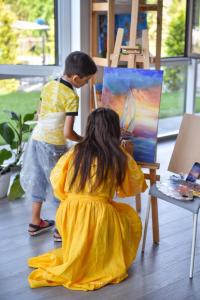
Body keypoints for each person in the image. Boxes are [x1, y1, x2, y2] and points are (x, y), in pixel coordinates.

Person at [27, 107, 147, 291]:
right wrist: (127, 154)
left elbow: (56, 180)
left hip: (67, 213)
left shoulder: (76, 151)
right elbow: (134, 186)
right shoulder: (118, 155)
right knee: (129, 218)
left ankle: (85, 253)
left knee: (103, 217)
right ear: (114, 130)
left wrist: (73, 199)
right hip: (97, 214)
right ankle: (99, 257)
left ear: (90, 128)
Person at [20, 51, 97, 238]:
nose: (86, 84)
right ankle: (61, 230)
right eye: (86, 81)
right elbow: (68, 133)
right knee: (59, 184)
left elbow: (39, 114)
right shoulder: (71, 96)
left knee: (39, 179)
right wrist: (84, 139)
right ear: (76, 78)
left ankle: (35, 222)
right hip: (54, 145)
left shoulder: (49, 85)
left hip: (37, 139)